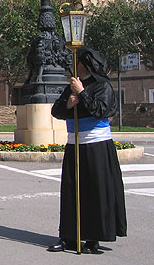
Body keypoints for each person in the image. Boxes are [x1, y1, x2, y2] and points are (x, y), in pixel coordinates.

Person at [48, 47, 127, 254]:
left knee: (95, 191)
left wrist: (82, 94)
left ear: (84, 63)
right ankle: (69, 237)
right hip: (75, 145)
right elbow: (56, 111)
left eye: (77, 61)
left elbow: (101, 110)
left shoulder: (102, 85)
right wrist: (68, 103)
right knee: (72, 191)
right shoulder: (72, 85)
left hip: (97, 146)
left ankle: (94, 237)